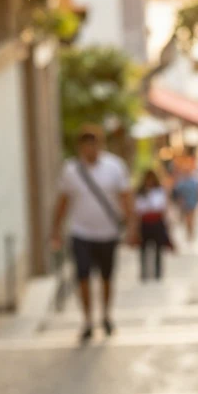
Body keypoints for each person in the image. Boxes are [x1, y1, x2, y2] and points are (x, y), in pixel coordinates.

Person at [51, 125, 135, 343]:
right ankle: (88, 320)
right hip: (81, 233)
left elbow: (126, 197)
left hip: (108, 233)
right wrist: (56, 230)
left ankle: (106, 315)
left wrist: (131, 227)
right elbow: (63, 202)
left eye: (94, 144)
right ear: (80, 147)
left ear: (101, 145)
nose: (91, 149)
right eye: (86, 145)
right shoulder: (71, 170)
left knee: (107, 278)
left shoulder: (114, 167)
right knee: (83, 277)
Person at [135, 169, 172, 280]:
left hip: (157, 222)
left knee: (158, 249)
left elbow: (163, 207)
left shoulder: (159, 191)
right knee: (143, 249)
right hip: (144, 222)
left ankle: (157, 272)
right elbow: (137, 208)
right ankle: (144, 272)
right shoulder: (140, 192)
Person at [172, 168, 198, 242]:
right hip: (186, 203)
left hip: (191, 203)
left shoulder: (193, 182)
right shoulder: (183, 183)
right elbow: (177, 193)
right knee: (188, 219)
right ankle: (189, 233)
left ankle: (190, 233)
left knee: (190, 219)